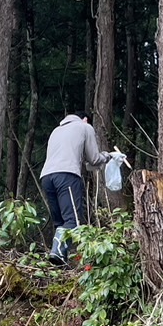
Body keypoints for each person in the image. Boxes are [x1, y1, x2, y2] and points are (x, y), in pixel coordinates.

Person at [39, 113, 124, 264]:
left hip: (46, 177)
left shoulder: (56, 131)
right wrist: (108, 156)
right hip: (67, 176)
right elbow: (94, 159)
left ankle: (59, 262)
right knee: (73, 220)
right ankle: (57, 254)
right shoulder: (85, 127)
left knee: (60, 222)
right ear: (84, 119)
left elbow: (86, 163)